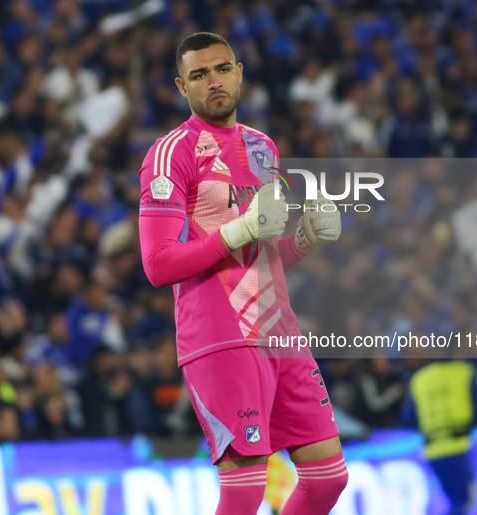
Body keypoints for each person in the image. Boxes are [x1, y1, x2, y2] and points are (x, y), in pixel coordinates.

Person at [138, 32, 347, 514]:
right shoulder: (172, 153)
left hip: (278, 332)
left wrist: (303, 241)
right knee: (246, 490)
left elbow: (260, 260)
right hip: (219, 338)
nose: (213, 81)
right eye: (199, 75)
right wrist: (237, 231)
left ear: (239, 72)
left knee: (328, 478)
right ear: (181, 86)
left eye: (222, 68)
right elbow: (158, 264)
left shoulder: (262, 146)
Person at [401, 360, 477, 515]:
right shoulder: (464, 372)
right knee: (466, 500)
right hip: (460, 445)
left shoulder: (419, 378)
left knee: (456, 500)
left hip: (433, 449)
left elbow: (408, 417)